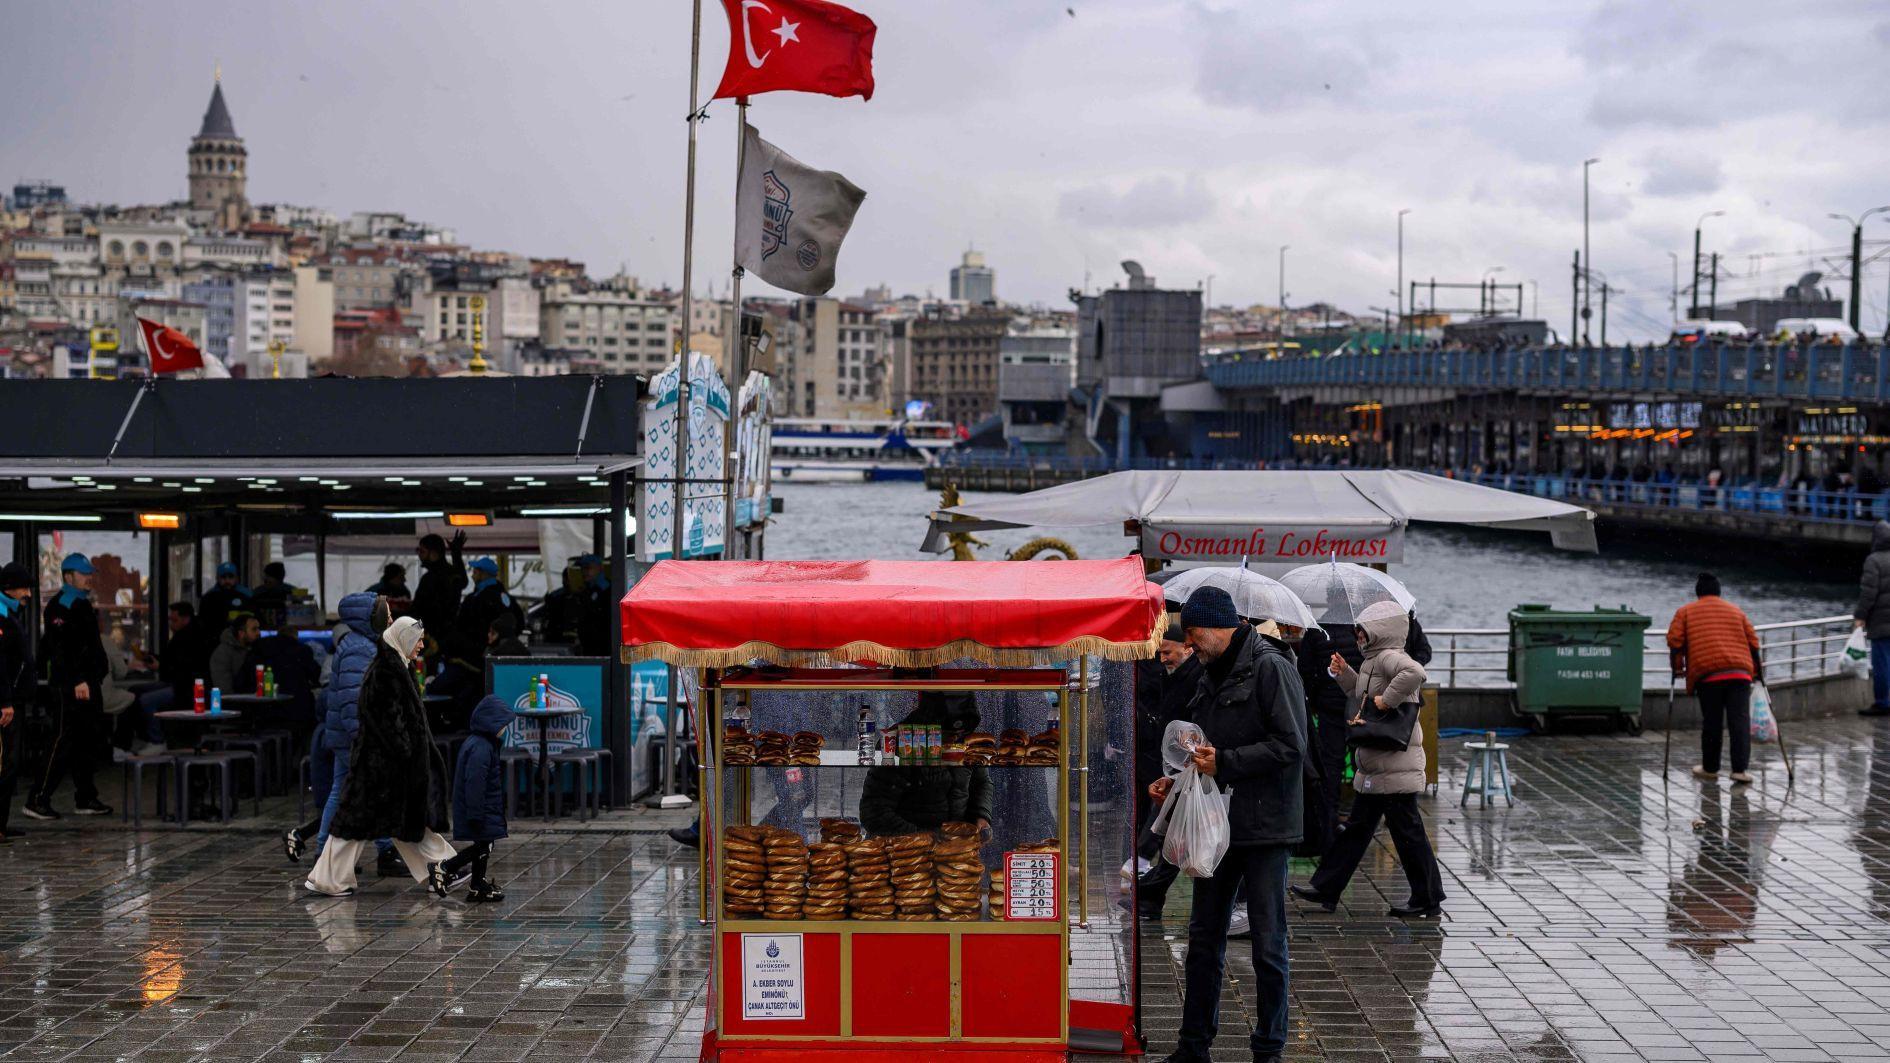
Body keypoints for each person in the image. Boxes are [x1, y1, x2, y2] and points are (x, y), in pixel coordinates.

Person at [1151, 586, 1305, 1063]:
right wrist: (1176, 777)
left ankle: (1269, 1050)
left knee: (1267, 944)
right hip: (1217, 824)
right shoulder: (1208, 671)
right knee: (1203, 939)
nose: (1191, 646)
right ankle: (1193, 1047)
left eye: (1195, 636)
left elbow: (1291, 745)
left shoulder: (1271, 667)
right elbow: (1205, 744)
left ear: (1221, 626)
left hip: (1265, 827)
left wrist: (1228, 762)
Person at [1291, 601, 1445, 918]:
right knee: (1363, 829)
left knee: (1404, 830)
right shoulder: (1373, 661)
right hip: (1379, 761)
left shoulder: (1389, 657)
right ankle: (1328, 888)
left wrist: (1387, 701)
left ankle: (1426, 897)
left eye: (1362, 631)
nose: (1358, 636)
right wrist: (1344, 673)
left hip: (1393, 763)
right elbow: (1361, 698)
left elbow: (1415, 672)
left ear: (1379, 632)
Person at [304, 615, 457, 897]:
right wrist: (408, 755)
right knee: (366, 823)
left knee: (389, 822)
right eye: (418, 639)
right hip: (382, 766)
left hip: (381, 764)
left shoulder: (396, 667)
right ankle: (444, 867)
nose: (422, 645)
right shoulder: (387, 672)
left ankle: (444, 867)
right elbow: (389, 722)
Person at [286, 593, 398, 871]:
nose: (390, 618)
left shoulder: (361, 645)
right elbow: (353, 701)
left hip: (348, 736)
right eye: (386, 613)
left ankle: (330, 853)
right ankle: (367, 853)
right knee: (370, 791)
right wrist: (364, 737)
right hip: (355, 737)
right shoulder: (361, 650)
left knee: (346, 791)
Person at [25, 553, 112, 820]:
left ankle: (85, 797)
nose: (90, 578)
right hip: (71, 686)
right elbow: (59, 649)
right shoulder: (62, 605)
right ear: (68, 576)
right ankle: (37, 798)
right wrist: (76, 680)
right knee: (61, 739)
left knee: (87, 740)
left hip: (89, 682)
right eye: (84, 573)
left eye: (90, 573)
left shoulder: (82, 603)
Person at [1130, 625, 1202, 920]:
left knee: (1176, 829)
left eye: (1168, 652)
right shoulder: (1172, 675)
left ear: (1187, 649)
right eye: (1160, 653)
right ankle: (1149, 894)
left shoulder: (1194, 676)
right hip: (1176, 765)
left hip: (1191, 765)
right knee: (1176, 830)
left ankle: (1147, 883)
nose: (1162, 658)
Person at [1667, 572, 1763, 784]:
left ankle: (1710, 768)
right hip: (1739, 673)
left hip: (1708, 675)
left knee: (1712, 721)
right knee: (1739, 720)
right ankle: (1739, 770)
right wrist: (1758, 673)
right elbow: (1753, 643)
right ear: (1719, 592)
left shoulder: (1685, 612)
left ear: (1697, 592)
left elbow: (1675, 642)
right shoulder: (1736, 611)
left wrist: (1678, 669)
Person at [860, 692, 993, 836]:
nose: (955, 738)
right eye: (946, 732)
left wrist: (981, 815)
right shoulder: (895, 743)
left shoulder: (967, 740)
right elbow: (874, 813)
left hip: (955, 848)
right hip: (906, 851)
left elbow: (981, 782)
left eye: (960, 733)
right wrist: (925, 839)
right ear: (928, 723)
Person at [430, 693, 516, 902]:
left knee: (485, 844)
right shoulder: (481, 748)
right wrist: (476, 813)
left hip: (483, 808)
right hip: (480, 809)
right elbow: (475, 783)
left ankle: (478, 884)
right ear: (492, 723)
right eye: (502, 723)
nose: (505, 728)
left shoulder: (481, 744)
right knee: (483, 845)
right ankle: (445, 867)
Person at [1287, 621, 1349, 856]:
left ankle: (1329, 820)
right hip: (1358, 707)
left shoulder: (1317, 630)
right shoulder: (1360, 628)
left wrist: (1313, 701)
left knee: (1330, 767)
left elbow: (1306, 670)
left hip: (1329, 708)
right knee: (1361, 764)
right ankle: (1355, 817)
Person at [0, 562, 36, 842]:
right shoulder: (1, 616)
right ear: (9, 588)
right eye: (24, 588)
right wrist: (5, 700)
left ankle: (2, 822)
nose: (29, 595)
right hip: (5, 703)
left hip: (14, 698)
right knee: (3, 762)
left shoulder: (11, 614)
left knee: (10, 763)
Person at [455, 557, 524, 667]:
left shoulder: (476, 599)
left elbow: (463, 626)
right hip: (503, 654)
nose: (472, 576)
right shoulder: (506, 597)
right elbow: (519, 622)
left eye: (475, 572)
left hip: (477, 656)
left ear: (483, 574)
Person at [1856, 520, 1890, 716]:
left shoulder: (1873, 560)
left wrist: (1860, 616)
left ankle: (1882, 703)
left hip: (1881, 622)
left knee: (1881, 665)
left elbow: (1868, 592)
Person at [412, 532, 467, 652]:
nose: (419, 555)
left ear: (433, 554)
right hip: (449, 638)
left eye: (422, 551)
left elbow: (419, 610)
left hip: (430, 639)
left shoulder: (430, 579)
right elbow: (463, 581)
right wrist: (456, 553)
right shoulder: (452, 574)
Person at [208, 613, 261, 694]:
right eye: (254, 629)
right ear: (241, 633)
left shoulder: (257, 649)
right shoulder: (223, 653)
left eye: (258, 628)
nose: (258, 633)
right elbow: (224, 688)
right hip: (235, 702)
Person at [575, 554, 613, 658]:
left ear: (600, 568)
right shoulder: (587, 590)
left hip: (603, 649)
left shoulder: (608, 590)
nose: (584, 572)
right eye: (582, 569)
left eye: (588, 568)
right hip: (588, 647)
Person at [199, 562, 253, 629]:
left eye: (231, 577)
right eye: (223, 577)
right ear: (217, 578)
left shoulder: (247, 595)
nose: (227, 581)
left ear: (236, 578)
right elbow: (202, 622)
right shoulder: (208, 598)